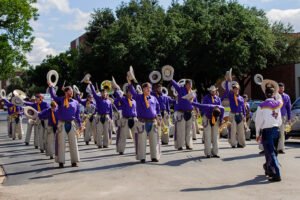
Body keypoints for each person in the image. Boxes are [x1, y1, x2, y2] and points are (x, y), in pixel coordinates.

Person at [48, 85, 82, 168]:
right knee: (61, 143)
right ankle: (61, 162)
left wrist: (80, 124)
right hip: (62, 124)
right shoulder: (60, 100)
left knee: (73, 143)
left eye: (72, 91)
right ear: (66, 92)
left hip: (71, 123)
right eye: (70, 91)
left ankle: (74, 161)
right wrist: (50, 87)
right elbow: (53, 96)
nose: (71, 92)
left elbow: (77, 115)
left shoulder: (75, 102)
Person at [255, 81, 282, 182]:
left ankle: (277, 174)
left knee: (270, 153)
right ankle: (269, 169)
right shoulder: (278, 103)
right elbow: (279, 120)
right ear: (273, 94)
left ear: (265, 94)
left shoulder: (261, 105)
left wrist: (257, 134)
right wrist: (276, 91)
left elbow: (258, 122)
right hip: (277, 130)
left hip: (267, 131)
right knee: (271, 152)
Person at [128, 80, 161, 163]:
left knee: (154, 140)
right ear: (143, 89)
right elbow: (132, 90)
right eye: (147, 88)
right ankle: (142, 157)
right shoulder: (138, 97)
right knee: (141, 140)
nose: (149, 89)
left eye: (150, 88)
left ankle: (154, 156)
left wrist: (159, 117)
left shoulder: (154, 98)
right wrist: (129, 83)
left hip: (153, 122)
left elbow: (157, 109)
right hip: (142, 122)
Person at [171, 79, 197, 150]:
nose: (190, 86)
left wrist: (197, 110)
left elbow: (195, 102)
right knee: (181, 130)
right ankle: (180, 145)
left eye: (191, 85)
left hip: (190, 112)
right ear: (186, 84)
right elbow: (175, 84)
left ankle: (188, 145)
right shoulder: (180, 89)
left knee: (189, 130)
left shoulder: (193, 92)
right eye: (189, 85)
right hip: (181, 112)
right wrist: (170, 78)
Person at [88, 82, 113, 148]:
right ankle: (99, 144)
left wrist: (111, 119)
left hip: (107, 117)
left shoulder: (109, 101)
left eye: (104, 92)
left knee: (106, 131)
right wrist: (91, 84)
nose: (103, 94)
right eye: (102, 93)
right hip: (99, 116)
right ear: (101, 93)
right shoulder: (98, 99)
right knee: (99, 131)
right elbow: (93, 92)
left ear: (106, 93)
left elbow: (111, 111)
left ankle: (106, 144)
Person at [114, 86, 137, 155]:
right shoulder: (123, 99)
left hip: (134, 119)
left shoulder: (134, 101)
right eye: (129, 92)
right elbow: (118, 96)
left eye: (131, 92)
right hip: (125, 119)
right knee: (123, 135)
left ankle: (138, 149)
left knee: (136, 136)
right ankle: (121, 150)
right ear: (126, 93)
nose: (130, 94)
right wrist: (116, 89)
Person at [223, 80, 246, 148]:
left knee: (241, 130)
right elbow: (227, 90)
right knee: (233, 130)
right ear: (233, 89)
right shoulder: (231, 96)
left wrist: (244, 115)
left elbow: (243, 107)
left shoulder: (241, 98)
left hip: (240, 114)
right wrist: (227, 81)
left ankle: (241, 143)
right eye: (235, 88)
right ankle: (233, 143)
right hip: (233, 114)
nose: (236, 90)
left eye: (237, 88)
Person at [277, 83, 291, 154]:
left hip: (283, 117)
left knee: (282, 133)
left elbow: (289, 108)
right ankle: (272, 148)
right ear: (278, 88)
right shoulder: (275, 96)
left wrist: (289, 118)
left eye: (282, 88)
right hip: (275, 117)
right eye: (280, 88)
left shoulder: (287, 97)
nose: (281, 89)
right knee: (275, 132)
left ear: (284, 88)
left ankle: (281, 148)